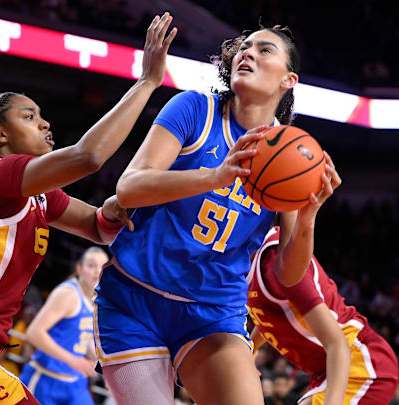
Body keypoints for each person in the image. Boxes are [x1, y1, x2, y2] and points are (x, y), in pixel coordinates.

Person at [0, 13, 177, 405]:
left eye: (44, 117)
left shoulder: (40, 195)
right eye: (29, 117)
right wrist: (148, 81)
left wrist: (119, 206)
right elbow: (89, 155)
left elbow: (97, 227)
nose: (45, 125)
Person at [96, 24, 341, 405]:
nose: (248, 53)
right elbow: (129, 187)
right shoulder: (195, 108)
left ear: (288, 80)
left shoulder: (293, 153)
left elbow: (289, 276)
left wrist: (307, 217)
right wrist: (215, 176)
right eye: (244, 47)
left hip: (212, 313)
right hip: (134, 300)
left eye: (264, 50)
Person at [248, 226, 399, 405]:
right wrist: (252, 348)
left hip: (360, 363)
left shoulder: (277, 259)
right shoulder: (242, 263)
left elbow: (338, 343)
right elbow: (272, 314)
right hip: (329, 369)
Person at [20, 247, 108, 405]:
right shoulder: (68, 294)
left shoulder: (96, 299)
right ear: (79, 269)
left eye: (102, 267)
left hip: (75, 383)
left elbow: (83, 339)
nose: (97, 271)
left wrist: (106, 369)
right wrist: (73, 360)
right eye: (91, 265)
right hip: (46, 378)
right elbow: (34, 333)